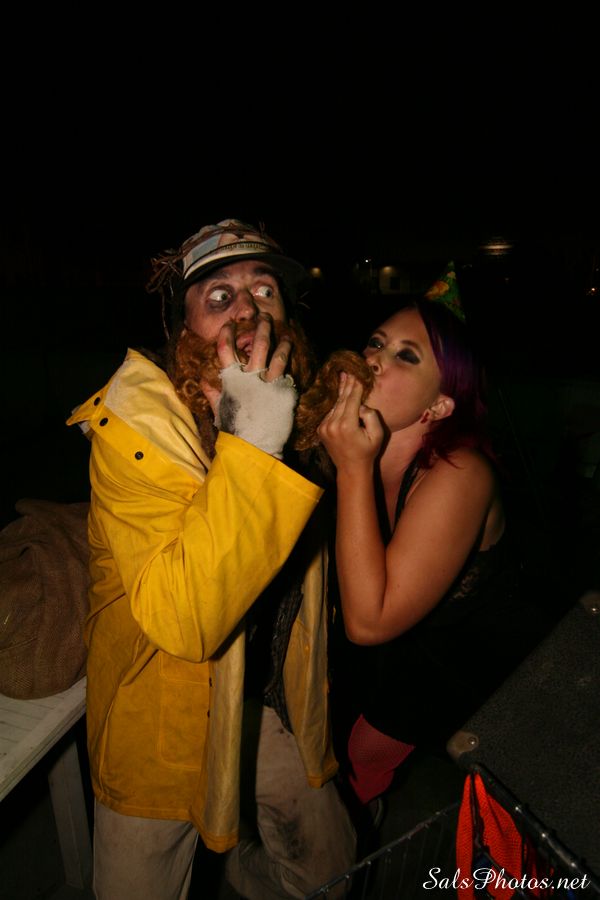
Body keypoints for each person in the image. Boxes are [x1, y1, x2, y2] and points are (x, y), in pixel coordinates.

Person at [67, 219, 355, 900]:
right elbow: (183, 620)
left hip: (266, 700)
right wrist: (251, 447)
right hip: (160, 721)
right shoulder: (134, 428)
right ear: (184, 331)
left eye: (265, 290)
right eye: (219, 297)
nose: (249, 308)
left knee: (327, 872)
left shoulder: (302, 410)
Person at [317, 282, 545, 821]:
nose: (374, 359)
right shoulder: (352, 446)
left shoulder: (461, 474)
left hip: (485, 673)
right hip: (408, 652)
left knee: (357, 762)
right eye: (376, 342)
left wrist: (352, 469)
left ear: (439, 404)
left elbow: (369, 621)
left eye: (406, 356)